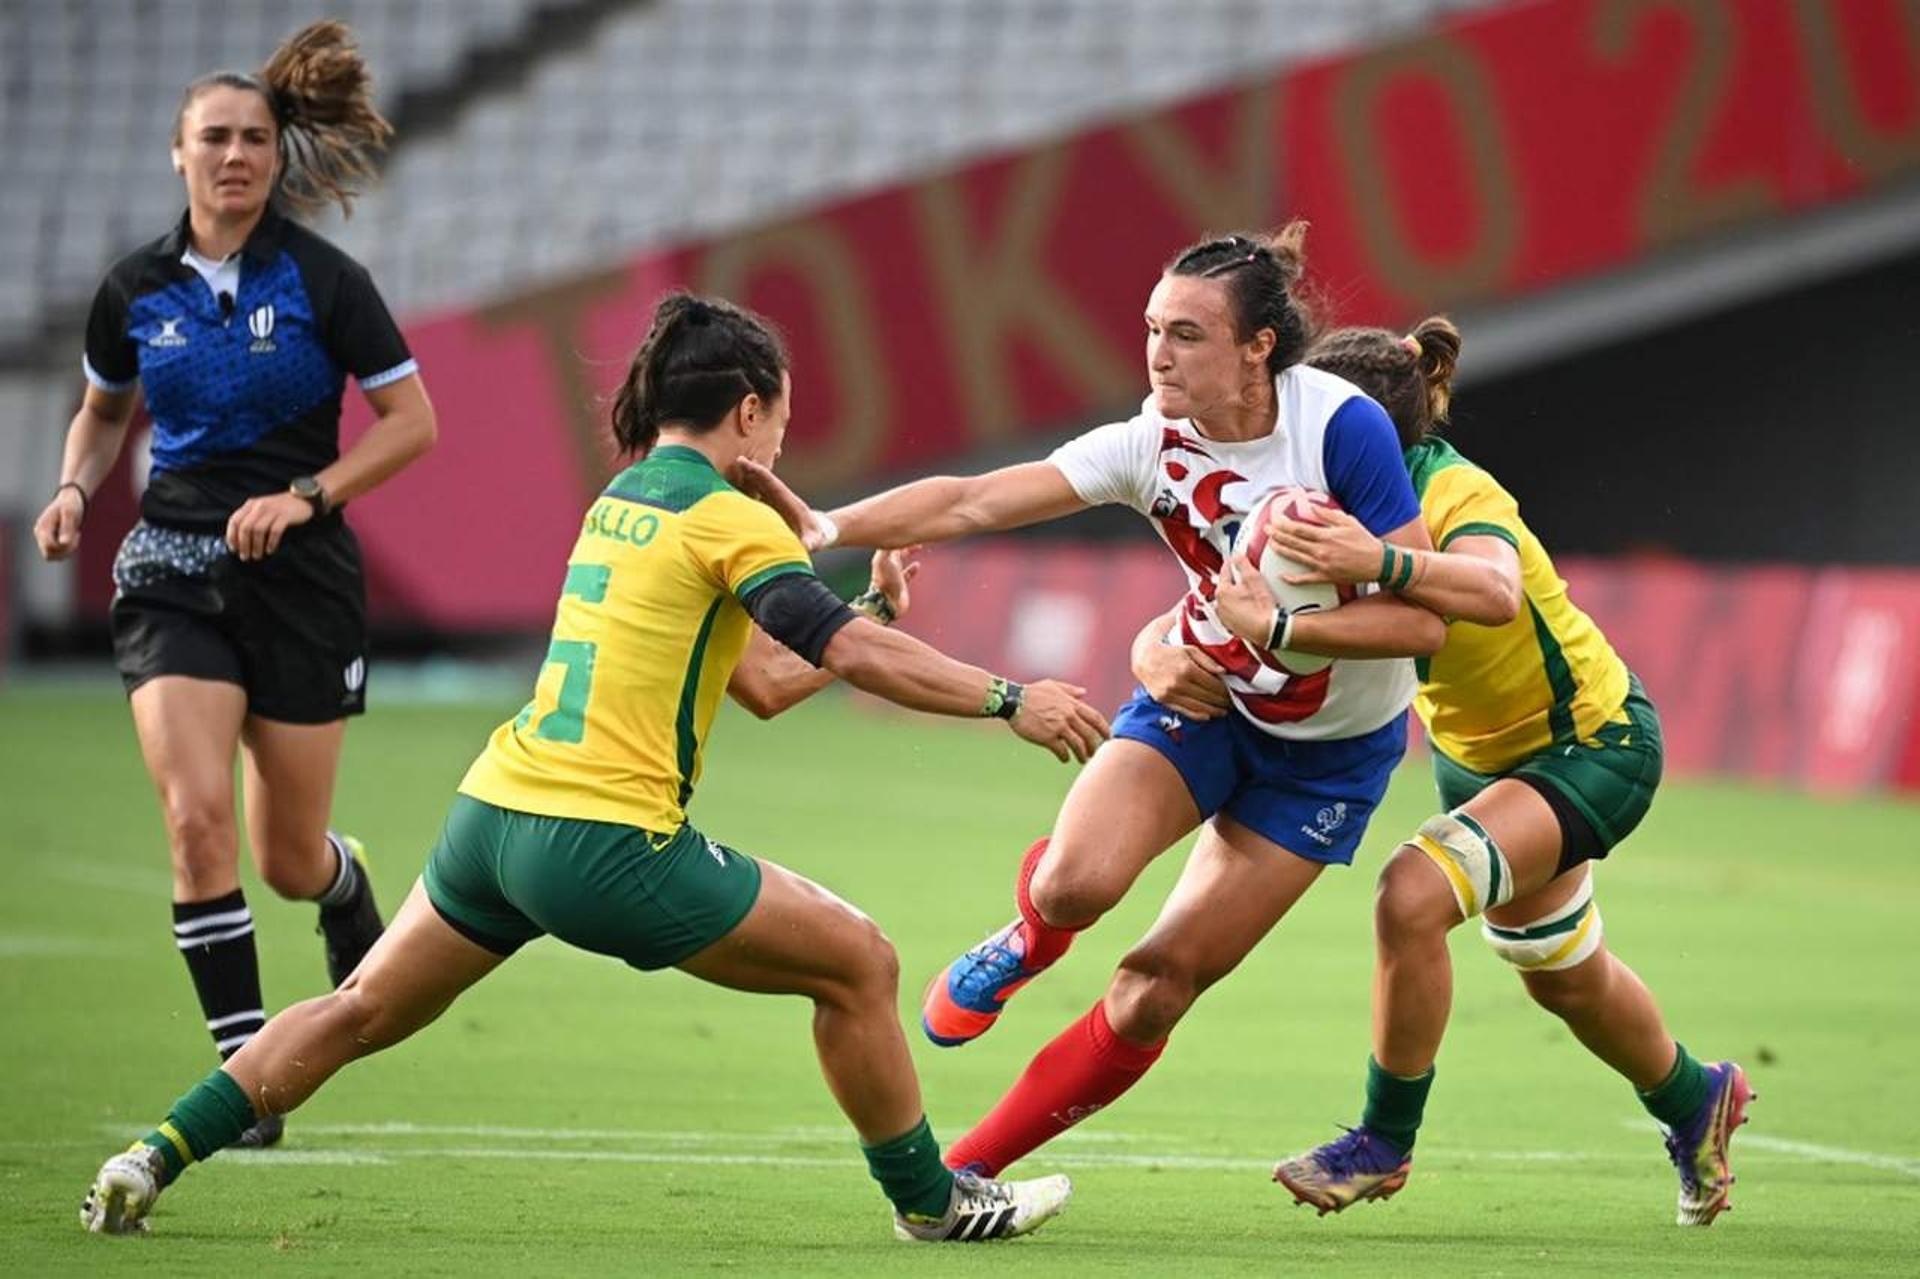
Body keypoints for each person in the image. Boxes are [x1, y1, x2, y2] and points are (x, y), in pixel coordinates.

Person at [80, 291, 1112, 1244]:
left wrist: (879, 606)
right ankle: (932, 1205)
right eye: (781, 414)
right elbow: (837, 651)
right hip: (605, 842)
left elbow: (757, 681)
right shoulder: (728, 517)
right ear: (748, 412)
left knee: (356, 1012)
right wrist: (1010, 698)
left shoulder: (623, 496)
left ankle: (153, 1151)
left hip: (494, 818)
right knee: (862, 964)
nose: (782, 435)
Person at [736, 224, 1449, 1178]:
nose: (1158, 351)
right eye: (1153, 327)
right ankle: (1030, 936)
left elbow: (1422, 624)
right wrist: (828, 524)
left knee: (1155, 990)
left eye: (1188, 334)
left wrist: (1280, 631)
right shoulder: (1146, 443)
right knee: (1075, 885)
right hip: (1203, 695)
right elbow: (973, 501)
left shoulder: (1338, 430)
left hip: (1331, 752)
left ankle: (970, 1171)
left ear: (1258, 348)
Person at [1248, 318, 1750, 1226]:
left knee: (1408, 896)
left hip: (1589, 745)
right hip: (1475, 763)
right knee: (1559, 971)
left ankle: (1381, 1141)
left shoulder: (1452, 486)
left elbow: (1493, 589)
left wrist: (1378, 561)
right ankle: (1694, 1098)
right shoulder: (1314, 497)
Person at [32, 22, 434, 1149]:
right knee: (196, 821)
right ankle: (244, 1081)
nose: (236, 155)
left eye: (255, 137)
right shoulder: (134, 290)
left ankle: (345, 880)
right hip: (170, 575)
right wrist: (73, 486)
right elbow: (104, 408)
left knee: (285, 855)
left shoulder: (325, 281)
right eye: (215, 137)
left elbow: (413, 425)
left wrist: (309, 493)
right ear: (178, 154)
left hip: (301, 579)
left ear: (276, 153)